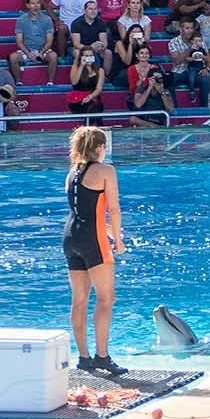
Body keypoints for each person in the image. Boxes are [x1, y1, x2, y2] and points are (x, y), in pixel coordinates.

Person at [63, 126, 128, 375]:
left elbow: (85, 210)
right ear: (100, 148)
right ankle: (102, 356)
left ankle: (83, 357)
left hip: (71, 237)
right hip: (94, 240)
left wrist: (108, 230)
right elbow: (113, 209)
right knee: (106, 299)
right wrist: (118, 241)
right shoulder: (106, 171)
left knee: (79, 300)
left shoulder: (72, 173)